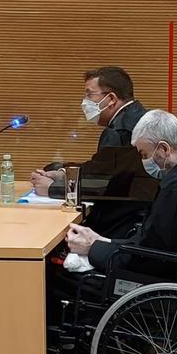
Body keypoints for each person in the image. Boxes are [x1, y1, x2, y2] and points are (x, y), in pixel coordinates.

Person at [65, 109, 177, 274]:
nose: (143, 161)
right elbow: (152, 242)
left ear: (163, 148)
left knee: (64, 279)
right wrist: (101, 241)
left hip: (155, 273)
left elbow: (149, 257)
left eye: (144, 154)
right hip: (171, 263)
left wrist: (92, 249)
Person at [30, 66, 151, 238]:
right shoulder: (139, 119)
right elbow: (102, 168)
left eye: (89, 94)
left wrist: (53, 189)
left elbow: (103, 185)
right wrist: (63, 173)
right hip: (138, 216)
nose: (85, 102)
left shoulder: (120, 131)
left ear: (110, 99)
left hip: (122, 224)